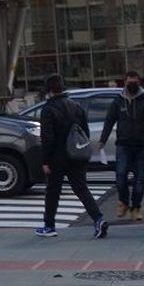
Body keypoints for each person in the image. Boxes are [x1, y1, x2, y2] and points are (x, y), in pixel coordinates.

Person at [36, 74, 107, 239]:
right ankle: (98, 218)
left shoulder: (48, 110)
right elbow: (85, 133)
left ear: (49, 90)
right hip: (76, 155)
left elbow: (47, 138)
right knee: (81, 188)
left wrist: (45, 160)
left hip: (57, 158)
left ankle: (49, 225)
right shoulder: (76, 107)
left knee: (53, 191)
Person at [100, 70, 144, 222]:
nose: (132, 84)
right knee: (120, 175)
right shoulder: (118, 101)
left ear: (139, 82)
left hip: (141, 145)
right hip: (123, 144)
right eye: (129, 81)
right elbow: (109, 120)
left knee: (140, 179)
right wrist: (102, 140)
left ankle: (136, 207)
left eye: (135, 81)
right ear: (125, 82)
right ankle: (124, 201)